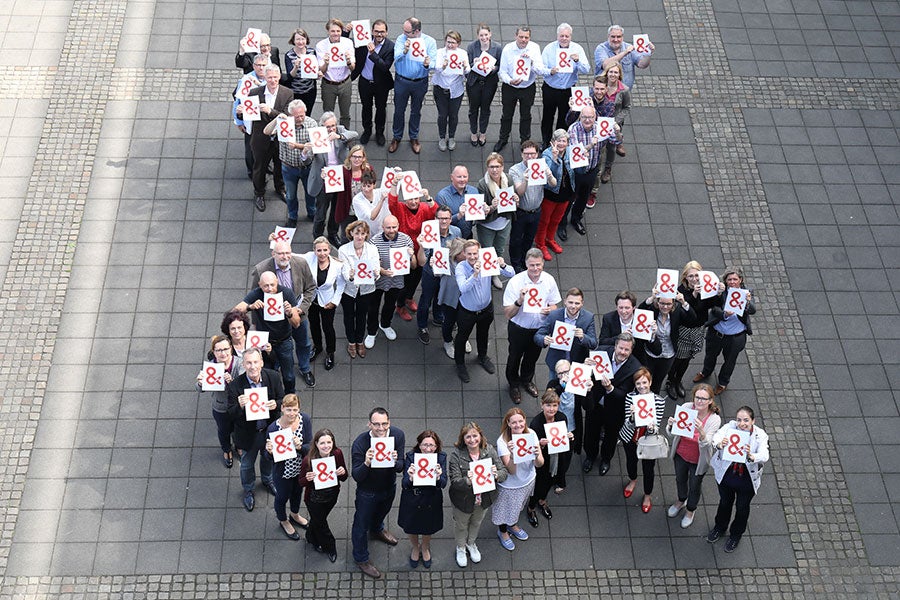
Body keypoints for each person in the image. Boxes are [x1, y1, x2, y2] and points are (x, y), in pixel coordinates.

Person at [249, 242, 317, 389]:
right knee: (275, 347)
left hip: (296, 312)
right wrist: (255, 324)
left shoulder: (301, 263)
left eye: (287, 253)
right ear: (273, 254)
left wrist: (301, 309)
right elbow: (254, 297)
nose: (285, 256)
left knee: (303, 342)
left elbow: (311, 287)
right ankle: (278, 365)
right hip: (272, 319)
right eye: (280, 253)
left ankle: (305, 368)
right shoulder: (261, 270)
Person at [351, 407, 406, 579]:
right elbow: (356, 476)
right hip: (367, 492)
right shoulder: (360, 443)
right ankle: (361, 559)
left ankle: (377, 530)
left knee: (382, 513)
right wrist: (367, 462)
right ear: (369, 424)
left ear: (389, 422)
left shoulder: (397, 435)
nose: (381, 428)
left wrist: (396, 461)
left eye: (384, 424)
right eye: (376, 424)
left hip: (388, 487)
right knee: (360, 525)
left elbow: (401, 466)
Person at [226, 347, 283, 511]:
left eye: (255, 362)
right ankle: (249, 489)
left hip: (267, 431)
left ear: (262, 362)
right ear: (243, 364)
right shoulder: (235, 386)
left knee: (268, 459)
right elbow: (231, 413)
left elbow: (282, 398)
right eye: (248, 363)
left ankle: (267, 479)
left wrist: (276, 404)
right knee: (246, 465)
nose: (252, 366)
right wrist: (240, 406)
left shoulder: (272, 377)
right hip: (248, 434)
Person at [502, 248, 561, 403]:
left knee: (532, 357)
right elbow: (508, 314)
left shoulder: (549, 280)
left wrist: (551, 310)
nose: (535, 269)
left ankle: (527, 380)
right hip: (519, 328)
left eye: (538, 265)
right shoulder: (516, 282)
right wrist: (519, 301)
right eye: (532, 265)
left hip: (539, 329)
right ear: (526, 264)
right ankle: (513, 384)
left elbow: (555, 305)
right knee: (514, 357)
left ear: (543, 264)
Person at [708, 406, 769, 552]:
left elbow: (764, 455)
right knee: (724, 503)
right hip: (728, 475)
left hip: (746, 480)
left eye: (746, 420)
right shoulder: (730, 427)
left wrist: (752, 456)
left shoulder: (760, 435)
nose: (742, 424)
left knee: (742, 508)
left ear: (753, 421)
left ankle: (736, 535)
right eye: (739, 420)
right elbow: (716, 436)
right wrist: (719, 443)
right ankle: (720, 527)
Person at [454, 239, 515, 382]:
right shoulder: (461, 268)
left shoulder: (487, 261)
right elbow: (463, 288)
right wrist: (475, 275)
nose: (473, 257)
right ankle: (460, 364)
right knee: (462, 337)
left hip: (486, 309)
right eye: (469, 254)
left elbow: (511, 274)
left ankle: (482, 356)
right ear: (464, 253)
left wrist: (502, 264)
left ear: (479, 252)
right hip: (467, 311)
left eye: (475, 253)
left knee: (483, 333)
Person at [448, 421, 507, 567]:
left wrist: (496, 475)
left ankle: (471, 544)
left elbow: (504, 472)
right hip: (464, 500)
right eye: (468, 437)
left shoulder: (489, 450)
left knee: (476, 523)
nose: (472, 440)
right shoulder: (456, 455)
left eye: (475, 436)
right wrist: (467, 480)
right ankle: (461, 547)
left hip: (484, 499)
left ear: (480, 436)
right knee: (461, 525)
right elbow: (455, 481)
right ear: (463, 439)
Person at [234, 271, 304, 393]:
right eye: (266, 286)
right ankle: (272, 395)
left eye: (272, 284)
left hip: (284, 340)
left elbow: (296, 323)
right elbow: (235, 312)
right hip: (263, 342)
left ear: (277, 281)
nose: (270, 289)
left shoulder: (286, 293)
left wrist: (289, 313)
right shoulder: (256, 293)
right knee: (266, 372)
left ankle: (290, 395)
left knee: (288, 374)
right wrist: (250, 307)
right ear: (260, 285)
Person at [582, 332, 641, 475]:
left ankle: (606, 459)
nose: (622, 352)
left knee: (611, 436)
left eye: (627, 350)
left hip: (615, 409)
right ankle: (590, 456)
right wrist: (585, 366)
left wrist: (610, 389)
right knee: (590, 432)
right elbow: (585, 375)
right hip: (595, 403)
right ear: (615, 346)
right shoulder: (601, 352)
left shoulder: (635, 367)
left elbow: (625, 394)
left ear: (631, 350)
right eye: (620, 348)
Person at [237, 64, 293, 212]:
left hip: (280, 138)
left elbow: (287, 116)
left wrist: (271, 111)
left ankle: (280, 187)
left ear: (279, 77)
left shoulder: (287, 93)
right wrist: (239, 113)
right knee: (259, 167)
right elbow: (248, 114)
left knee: (280, 165)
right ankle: (259, 193)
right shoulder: (254, 92)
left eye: (275, 77)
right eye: (270, 78)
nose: (273, 80)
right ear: (265, 78)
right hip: (260, 138)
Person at [666, 383, 722, 528]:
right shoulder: (686, 408)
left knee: (695, 485)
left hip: (698, 460)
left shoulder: (714, 419)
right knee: (680, 479)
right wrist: (671, 426)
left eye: (704, 399)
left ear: (710, 401)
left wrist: (701, 432)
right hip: (681, 454)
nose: (699, 401)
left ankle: (691, 510)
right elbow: (673, 436)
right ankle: (681, 500)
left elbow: (708, 444)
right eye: (697, 397)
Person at [385, 172, 439, 321]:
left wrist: (429, 198)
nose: (413, 202)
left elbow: (437, 212)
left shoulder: (424, 208)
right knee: (404, 281)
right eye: (410, 199)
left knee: (417, 278)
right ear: (405, 199)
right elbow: (392, 202)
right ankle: (400, 305)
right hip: (405, 252)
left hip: (422, 249)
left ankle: (409, 298)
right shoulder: (400, 208)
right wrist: (395, 184)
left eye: (416, 198)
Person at [694, 266, 756, 395]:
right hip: (716, 333)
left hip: (735, 337)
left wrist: (747, 303)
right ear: (725, 281)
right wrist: (724, 314)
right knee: (710, 355)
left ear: (741, 280)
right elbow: (713, 309)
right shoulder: (720, 292)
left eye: (735, 279)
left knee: (730, 361)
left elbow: (752, 310)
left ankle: (723, 382)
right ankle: (706, 372)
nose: (732, 282)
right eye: (729, 279)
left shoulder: (746, 293)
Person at [261, 98, 318, 227]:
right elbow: (266, 132)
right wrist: (277, 119)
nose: (300, 119)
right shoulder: (284, 124)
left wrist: (297, 146)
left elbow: (316, 146)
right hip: (288, 167)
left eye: (302, 115)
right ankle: (292, 216)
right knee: (291, 195)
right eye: (296, 116)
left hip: (307, 167)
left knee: (310, 193)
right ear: (290, 115)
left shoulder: (312, 124)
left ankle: (312, 212)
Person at [667, 261, 719, 398]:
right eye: (690, 276)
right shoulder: (681, 291)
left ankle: (678, 380)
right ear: (685, 278)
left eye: (697, 275)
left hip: (699, 328)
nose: (694, 279)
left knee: (688, 358)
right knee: (678, 358)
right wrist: (695, 295)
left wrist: (718, 292)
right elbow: (688, 313)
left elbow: (714, 305)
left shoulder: (705, 288)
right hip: (685, 329)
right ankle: (670, 381)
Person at [493, 407, 544, 550]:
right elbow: (512, 471)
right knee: (504, 510)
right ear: (508, 423)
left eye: (520, 421)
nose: (518, 425)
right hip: (510, 485)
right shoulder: (503, 442)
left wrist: (536, 454)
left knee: (516, 508)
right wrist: (512, 454)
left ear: (525, 420)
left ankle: (512, 525)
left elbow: (540, 464)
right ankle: (503, 531)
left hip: (527, 481)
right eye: (513, 422)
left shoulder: (531, 434)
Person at [264, 393, 312, 539]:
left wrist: (300, 447)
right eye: (289, 410)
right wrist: (270, 451)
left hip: (300, 469)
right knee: (282, 497)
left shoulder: (305, 420)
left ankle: (295, 514)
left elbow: (309, 446)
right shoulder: (273, 428)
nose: (292, 414)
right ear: (282, 409)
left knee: (298, 493)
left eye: (295, 410)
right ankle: (283, 520)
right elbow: (267, 457)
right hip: (283, 472)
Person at [618, 367, 666, 513]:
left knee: (648, 469)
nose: (641, 386)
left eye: (644, 382)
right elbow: (628, 422)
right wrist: (633, 416)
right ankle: (633, 480)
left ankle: (647, 495)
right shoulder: (630, 397)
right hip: (631, 438)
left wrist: (651, 427)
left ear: (650, 382)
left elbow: (656, 427)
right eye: (638, 383)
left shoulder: (658, 401)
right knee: (631, 462)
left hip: (648, 442)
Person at [306, 112, 360, 241]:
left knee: (337, 210)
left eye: (333, 126)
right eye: (327, 127)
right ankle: (318, 236)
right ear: (321, 127)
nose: (331, 129)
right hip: (324, 180)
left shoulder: (339, 130)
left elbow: (354, 134)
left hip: (339, 177)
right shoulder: (316, 136)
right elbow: (308, 160)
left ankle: (332, 234)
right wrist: (306, 152)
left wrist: (339, 136)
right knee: (321, 212)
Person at [494, 26, 548, 152]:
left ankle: (525, 141)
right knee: (507, 114)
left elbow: (540, 70)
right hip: (510, 87)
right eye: (521, 37)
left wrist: (532, 61)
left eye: (526, 37)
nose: (523, 40)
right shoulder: (508, 49)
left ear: (529, 37)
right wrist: (510, 81)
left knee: (526, 115)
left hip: (527, 87)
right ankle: (503, 138)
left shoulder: (534, 48)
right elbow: (502, 72)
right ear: (516, 36)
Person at [398, 430, 448, 568]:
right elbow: (404, 484)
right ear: (419, 445)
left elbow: (443, 483)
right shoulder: (411, 457)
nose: (428, 449)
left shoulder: (441, 457)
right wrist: (410, 477)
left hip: (431, 499)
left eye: (432, 446)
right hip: (413, 499)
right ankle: (415, 547)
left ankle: (425, 547)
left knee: (428, 527)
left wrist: (439, 476)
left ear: (437, 446)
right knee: (411, 527)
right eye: (425, 445)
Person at [299, 428, 348, 562]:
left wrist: (342, 472)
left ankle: (311, 537)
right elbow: (301, 482)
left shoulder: (337, 454)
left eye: (329, 442)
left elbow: (344, 477)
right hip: (314, 499)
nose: (326, 446)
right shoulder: (308, 460)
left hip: (331, 495)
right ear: (316, 444)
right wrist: (307, 478)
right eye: (322, 443)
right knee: (322, 524)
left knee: (317, 520)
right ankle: (330, 547)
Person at [540, 23, 591, 148]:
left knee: (564, 118)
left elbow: (587, 70)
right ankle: (546, 142)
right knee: (547, 116)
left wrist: (577, 61)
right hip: (550, 89)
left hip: (568, 90)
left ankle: (559, 142)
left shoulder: (577, 48)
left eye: (566, 36)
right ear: (557, 36)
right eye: (561, 36)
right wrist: (549, 71)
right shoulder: (549, 48)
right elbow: (540, 69)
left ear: (570, 36)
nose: (564, 38)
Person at [637, 287, 697, 394]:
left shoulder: (677, 312)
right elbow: (639, 312)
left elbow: (692, 320)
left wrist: (684, 302)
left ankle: (654, 402)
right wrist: (651, 298)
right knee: (645, 380)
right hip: (651, 353)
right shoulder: (652, 311)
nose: (665, 307)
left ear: (673, 304)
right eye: (662, 303)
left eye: (669, 304)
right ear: (657, 302)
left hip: (668, 354)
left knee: (658, 381)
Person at [506, 140, 555, 271]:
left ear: (537, 154)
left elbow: (554, 184)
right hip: (521, 211)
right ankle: (516, 264)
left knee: (529, 238)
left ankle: (524, 261)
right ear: (522, 155)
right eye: (527, 154)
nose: (530, 157)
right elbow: (520, 192)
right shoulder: (515, 170)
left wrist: (549, 175)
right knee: (516, 239)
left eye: (533, 154)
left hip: (536, 210)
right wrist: (526, 179)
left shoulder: (541, 165)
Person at [415, 205, 461, 344]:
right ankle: (422, 326)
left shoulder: (457, 232)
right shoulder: (429, 234)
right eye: (440, 218)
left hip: (447, 274)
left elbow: (459, 252)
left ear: (450, 219)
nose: (444, 221)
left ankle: (437, 317)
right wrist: (422, 247)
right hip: (431, 274)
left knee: (440, 298)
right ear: (435, 219)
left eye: (446, 218)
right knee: (425, 300)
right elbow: (422, 262)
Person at [196, 335, 243, 468]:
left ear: (231, 349)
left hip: (237, 405)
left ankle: (239, 446)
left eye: (225, 349)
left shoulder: (239, 363)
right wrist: (200, 383)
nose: (223, 353)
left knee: (239, 428)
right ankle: (227, 450)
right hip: (220, 406)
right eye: (219, 350)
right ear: (214, 352)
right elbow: (200, 389)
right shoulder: (211, 366)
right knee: (223, 430)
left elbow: (245, 386)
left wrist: (232, 382)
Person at [368, 215, 415, 348]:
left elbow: (414, 266)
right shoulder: (374, 241)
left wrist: (411, 256)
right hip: (378, 281)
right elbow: (371, 264)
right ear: (382, 227)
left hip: (396, 281)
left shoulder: (406, 240)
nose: (391, 230)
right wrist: (381, 270)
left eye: (394, 227)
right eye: (388, 227)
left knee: (390, 304)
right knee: (373, 306)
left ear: (398, 226)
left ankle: (385, 325)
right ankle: (371, 331)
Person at [391, 17, 437, 154]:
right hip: (402, 81)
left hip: (420, 82)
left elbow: (435, 63)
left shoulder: (430, 42)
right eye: (404, 31)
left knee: (416, 110)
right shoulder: (401, 39)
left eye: (407, 32)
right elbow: (396, 56)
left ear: (417, 31)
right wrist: (404, 51)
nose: (404, 34)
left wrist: (429, 63)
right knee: (399, 110)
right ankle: (396, 136)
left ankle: (414, 136)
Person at [527, 390, 574, 524]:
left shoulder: (562, 417)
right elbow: (531, 449)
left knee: (550, 481)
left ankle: (542, 501)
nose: (551, 409)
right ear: (542, 405)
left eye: (554, 405)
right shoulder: (536, 424)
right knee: (539, 484)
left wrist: (570, 437)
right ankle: (531, 507)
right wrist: (540, 445)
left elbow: (563, 438)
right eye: (548, 405)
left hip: (557, 458)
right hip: (542, 461)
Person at [475, 152, 519, 289]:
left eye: (497, 166)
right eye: (491, 166)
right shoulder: (482, 185)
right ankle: (489, 276)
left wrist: (516, 200)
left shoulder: (509, 180)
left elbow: (513, 204)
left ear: (502, 167)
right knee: (487, 251)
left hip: (505, 222)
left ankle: (496, 272)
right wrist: (492, 207)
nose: (495, 170)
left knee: (499, 249)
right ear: (487, 168)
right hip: (488, 224)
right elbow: (481, 211)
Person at [338, 220, 381, 358]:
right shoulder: (343, 250)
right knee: (349, 316)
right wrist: (350, 276)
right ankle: (351, 341)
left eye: (363, 233)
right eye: (357, 233)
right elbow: (344, 272)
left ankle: (359, 340)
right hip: (349, 290)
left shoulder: (372, 249)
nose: (360, 236)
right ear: (351, 233)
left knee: (362, 316)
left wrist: (376, 274)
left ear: (367, 234)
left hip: (366, 290)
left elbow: (376, 270)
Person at [534, 287, 597, 380]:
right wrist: (544, 339)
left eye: (577, 303)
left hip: (577, 364)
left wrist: (583, 337)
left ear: (582, 303)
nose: (573, 306)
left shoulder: (588, 318)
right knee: (554, 390)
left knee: (576, 392)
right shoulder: (554, 315)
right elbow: (538, 336)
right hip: (557, 363)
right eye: (570, 302)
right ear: (565, 301)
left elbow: (593, 343)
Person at [302, 237, 345, 371]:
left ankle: (330, 352)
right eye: (319, 250)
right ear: (314, 251)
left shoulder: (337, 265)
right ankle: (318, 347)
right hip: (311, 300)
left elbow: (341, 284)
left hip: (328, 301)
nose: (322, 253)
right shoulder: (310, 257)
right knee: (314, 324)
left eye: (325, 250)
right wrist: (276, 243)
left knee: (328, 327)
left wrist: (334, 302)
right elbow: (290, 254)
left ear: (329, 250)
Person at [562, 104, 605, 236]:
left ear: (595, 117)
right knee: (569, 198)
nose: (587, 120)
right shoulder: (573, 129)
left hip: (591, 170)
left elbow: (615, 141)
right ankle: (562, 223)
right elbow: (577, 151)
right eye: (585, 117)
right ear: (580, 117)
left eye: (591, 117)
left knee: (583, 198)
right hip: (576, 172)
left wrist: (616, 131)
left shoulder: (600, 129)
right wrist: (591, 144)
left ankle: (576, 219)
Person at [352, 19, 394, 146]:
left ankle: (380, 132)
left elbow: (385, 66)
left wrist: (372, 53)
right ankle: (367, 130)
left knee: (381, 108)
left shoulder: (390, 47)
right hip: (365, 81)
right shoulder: (363, 40)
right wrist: (346, 31)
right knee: (366, 107)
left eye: (382, 32)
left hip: (381, 83)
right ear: (372, 31)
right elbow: (347, 45)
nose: (379, 34)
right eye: (376, 31)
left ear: (386, 33)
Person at [536, 128, 574, 254]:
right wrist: (555, 158)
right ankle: (540, 243)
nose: (561, 144)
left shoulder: (570, 152)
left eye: (564, 141)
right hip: (551, 194)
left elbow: (578, 171)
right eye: (558, 141)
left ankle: (550, 239)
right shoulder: (547, 154)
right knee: (544, 220)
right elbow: (550, 175)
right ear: (553, 142)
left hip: (565, 193)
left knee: (557, 219)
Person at [465, 24, 502, 147]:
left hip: (489, 83)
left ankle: (483, 132)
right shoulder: (471, 47)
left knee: (485, 108)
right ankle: (473, 131)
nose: (484, 37)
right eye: (481, 35)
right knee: (473, 108)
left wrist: (494, 68)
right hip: (474, 83)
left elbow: (500, 65)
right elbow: (466, 65)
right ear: (477, 36)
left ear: (490, 34)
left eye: (486, 34)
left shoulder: (497, 47)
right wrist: (473, 63)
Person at [433, 30, 470, 151]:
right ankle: (442, 137)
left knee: (453, 115)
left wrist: (465, 67)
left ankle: (452, 136)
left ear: (458, 43)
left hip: (456, 91)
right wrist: (442, 66)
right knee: (442, 115)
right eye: (448, 42)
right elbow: (435, 69)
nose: (450, 45)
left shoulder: (463, 53)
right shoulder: (439, 53)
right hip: (441, 89)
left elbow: (467, 72)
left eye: (453, 43)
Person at [232, 54, 268, 180]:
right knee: (250, 149)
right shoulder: (246, 80)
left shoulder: (271, 77)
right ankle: (252, 172)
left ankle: (265, 167)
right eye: (258, 65)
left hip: (266, 120)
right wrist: (238, 121)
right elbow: (237, 102)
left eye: (264, 65)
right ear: (253, 66)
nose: (261, 68)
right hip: (251, 121)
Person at [332, 144, 375, 245]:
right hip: (348, 210)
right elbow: (331, 188)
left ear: (364, 158)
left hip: (363, 208)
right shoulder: (343, 171)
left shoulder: (368, 170)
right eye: (354, 156)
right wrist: (325, 177)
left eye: (359, 157)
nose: (357, 159)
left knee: (363, 234)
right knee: (346, 236)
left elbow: (373, 185)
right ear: (350, 157)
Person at [316, 18, 356, 129]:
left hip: (345, 82)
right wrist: (326, 63)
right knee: (327, 115)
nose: (336, 34)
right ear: (328, 31)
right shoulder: (321, 45)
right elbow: (322, 70)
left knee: (345, 114)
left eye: (338, 31)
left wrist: (348, 61)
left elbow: (353, 67)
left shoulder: (347, 42)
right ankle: (328, 137)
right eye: (333, 31)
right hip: (329, 84)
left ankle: (345, 137)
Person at [436, 238, 472, 359]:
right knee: (449, 322)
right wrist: (433, 264)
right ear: (456, 254)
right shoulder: (445, 262)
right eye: (464, 252)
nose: (469, 255)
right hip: (450, 299)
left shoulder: (471, 263)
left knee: (465, 322)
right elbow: (437, 273)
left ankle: (462, 338)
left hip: (466, 299)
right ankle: (448, 342)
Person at [595, 66, 630, 185]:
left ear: (619, 74)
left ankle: (608, 168)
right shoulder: (601, 84)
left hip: (614, 122)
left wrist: (615, 120)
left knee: (611, 147)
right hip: (599, 121)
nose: (613, 74)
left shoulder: (624, 90)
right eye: (611, 72)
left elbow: (626, 107)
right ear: (607, 73)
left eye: (616, 72)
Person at [594, 24, 654, 92]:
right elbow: (606, 65)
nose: (616, 39)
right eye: (613, 37)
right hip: (604, 95)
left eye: (618, 37)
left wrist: (648, 53)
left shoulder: (629, 47)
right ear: (608, 36)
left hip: (624, 94)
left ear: (622, 37)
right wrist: (625, 53)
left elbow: (642, 65)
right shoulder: (601, 48)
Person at [435, 165, 477, 238]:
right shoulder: (442, 196)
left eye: (465, 176)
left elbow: (478, 216)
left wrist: (485, 211)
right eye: (459, 177)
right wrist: (459, 215)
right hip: (449, 237)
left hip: (468, 235)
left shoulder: (474, 191)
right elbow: (440, 221)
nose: (462, 179)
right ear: (452, 177)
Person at [284, 28, 318, 112]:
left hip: (310, 90)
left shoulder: (311, 52)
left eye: (303, 39)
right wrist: (296, 67)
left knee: (308, 113)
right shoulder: (289, 55)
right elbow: (290, 76)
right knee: (295, 114)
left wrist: (318, 73)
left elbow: (315, 69)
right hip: (295, 92)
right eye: (298, 39)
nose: (300, 42)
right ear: (293, 41)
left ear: (306, 40)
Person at [351, 171, 391, 238]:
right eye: (364, 186)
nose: (366, 189)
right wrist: (381, 200)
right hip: (367, 234)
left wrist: (396, 175)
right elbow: (372, 216)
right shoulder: (357, 199)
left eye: (369, 186)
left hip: (384, 232)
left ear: (374, 185)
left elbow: (393, 191)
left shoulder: (380, 192)